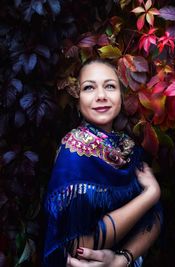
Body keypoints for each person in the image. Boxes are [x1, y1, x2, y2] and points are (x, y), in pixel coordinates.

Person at [43, 58, 163, 267]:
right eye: (89, 88)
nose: (101, 96)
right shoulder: (74, 153)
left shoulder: (127, 146)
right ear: (78, 99)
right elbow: (80, 246)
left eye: (110, 86)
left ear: (121, 95)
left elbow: (155, 217)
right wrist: (150, 194)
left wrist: (123, 258)